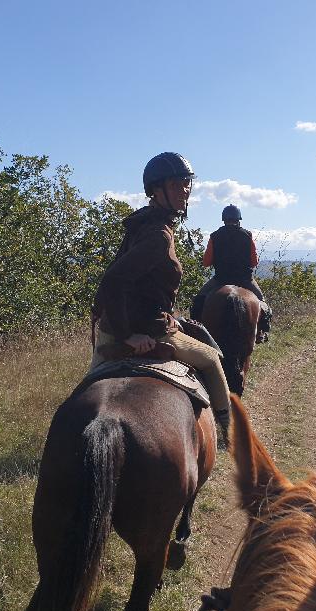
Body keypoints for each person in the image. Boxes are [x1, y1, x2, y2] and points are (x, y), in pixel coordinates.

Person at [91, 152, 231, 431]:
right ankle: (230, 431)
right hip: (147, 328)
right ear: (156, 189)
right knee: (212, 359)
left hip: (113, 327)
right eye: (177, 184)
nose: (185, 190)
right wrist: (128, 335)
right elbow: (114, 281)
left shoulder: (143, 223)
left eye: (187, 183)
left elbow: (135, 284)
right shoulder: (158, 235)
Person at [190, 204, 273, 341]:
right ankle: (261, 332)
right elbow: (254, 262)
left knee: (198, 300)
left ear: (223, 219)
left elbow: (206, 262)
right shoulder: (247, 235)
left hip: (220, 280)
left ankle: (195, 331)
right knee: (263, 302)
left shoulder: (215, 236)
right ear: (239, 219)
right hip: (245, 280)